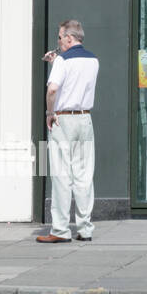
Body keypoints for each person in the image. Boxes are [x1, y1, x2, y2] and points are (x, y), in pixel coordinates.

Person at [37, 20, 99, 243]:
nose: (59, 42)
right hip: (85, 118)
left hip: (63, 119)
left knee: (62, 175)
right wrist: (57, 61)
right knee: (83, 175)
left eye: (60, 38)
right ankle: (85, 229)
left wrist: (48, 112)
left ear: (69, 38)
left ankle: (61, 229)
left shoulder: (63, 60)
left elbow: (53, 89)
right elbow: (76, 78)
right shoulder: (93, 60)